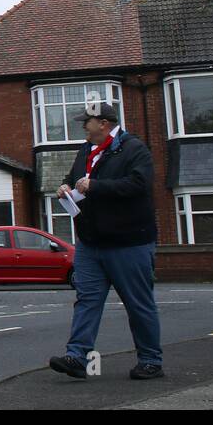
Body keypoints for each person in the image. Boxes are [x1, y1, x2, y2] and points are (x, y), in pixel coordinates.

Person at [49, 102, 163, 380]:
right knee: (87, 300)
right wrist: (65, 186)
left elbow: (139, 185)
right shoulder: (86, 151)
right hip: (91, 242)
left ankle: (151, 361)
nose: (82, 127)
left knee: (138, 303)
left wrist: (96, 186)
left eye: (85, 122)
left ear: (103, 122)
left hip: (129, 243)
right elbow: (75, 179)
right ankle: (77, 357)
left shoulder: (134, 149)